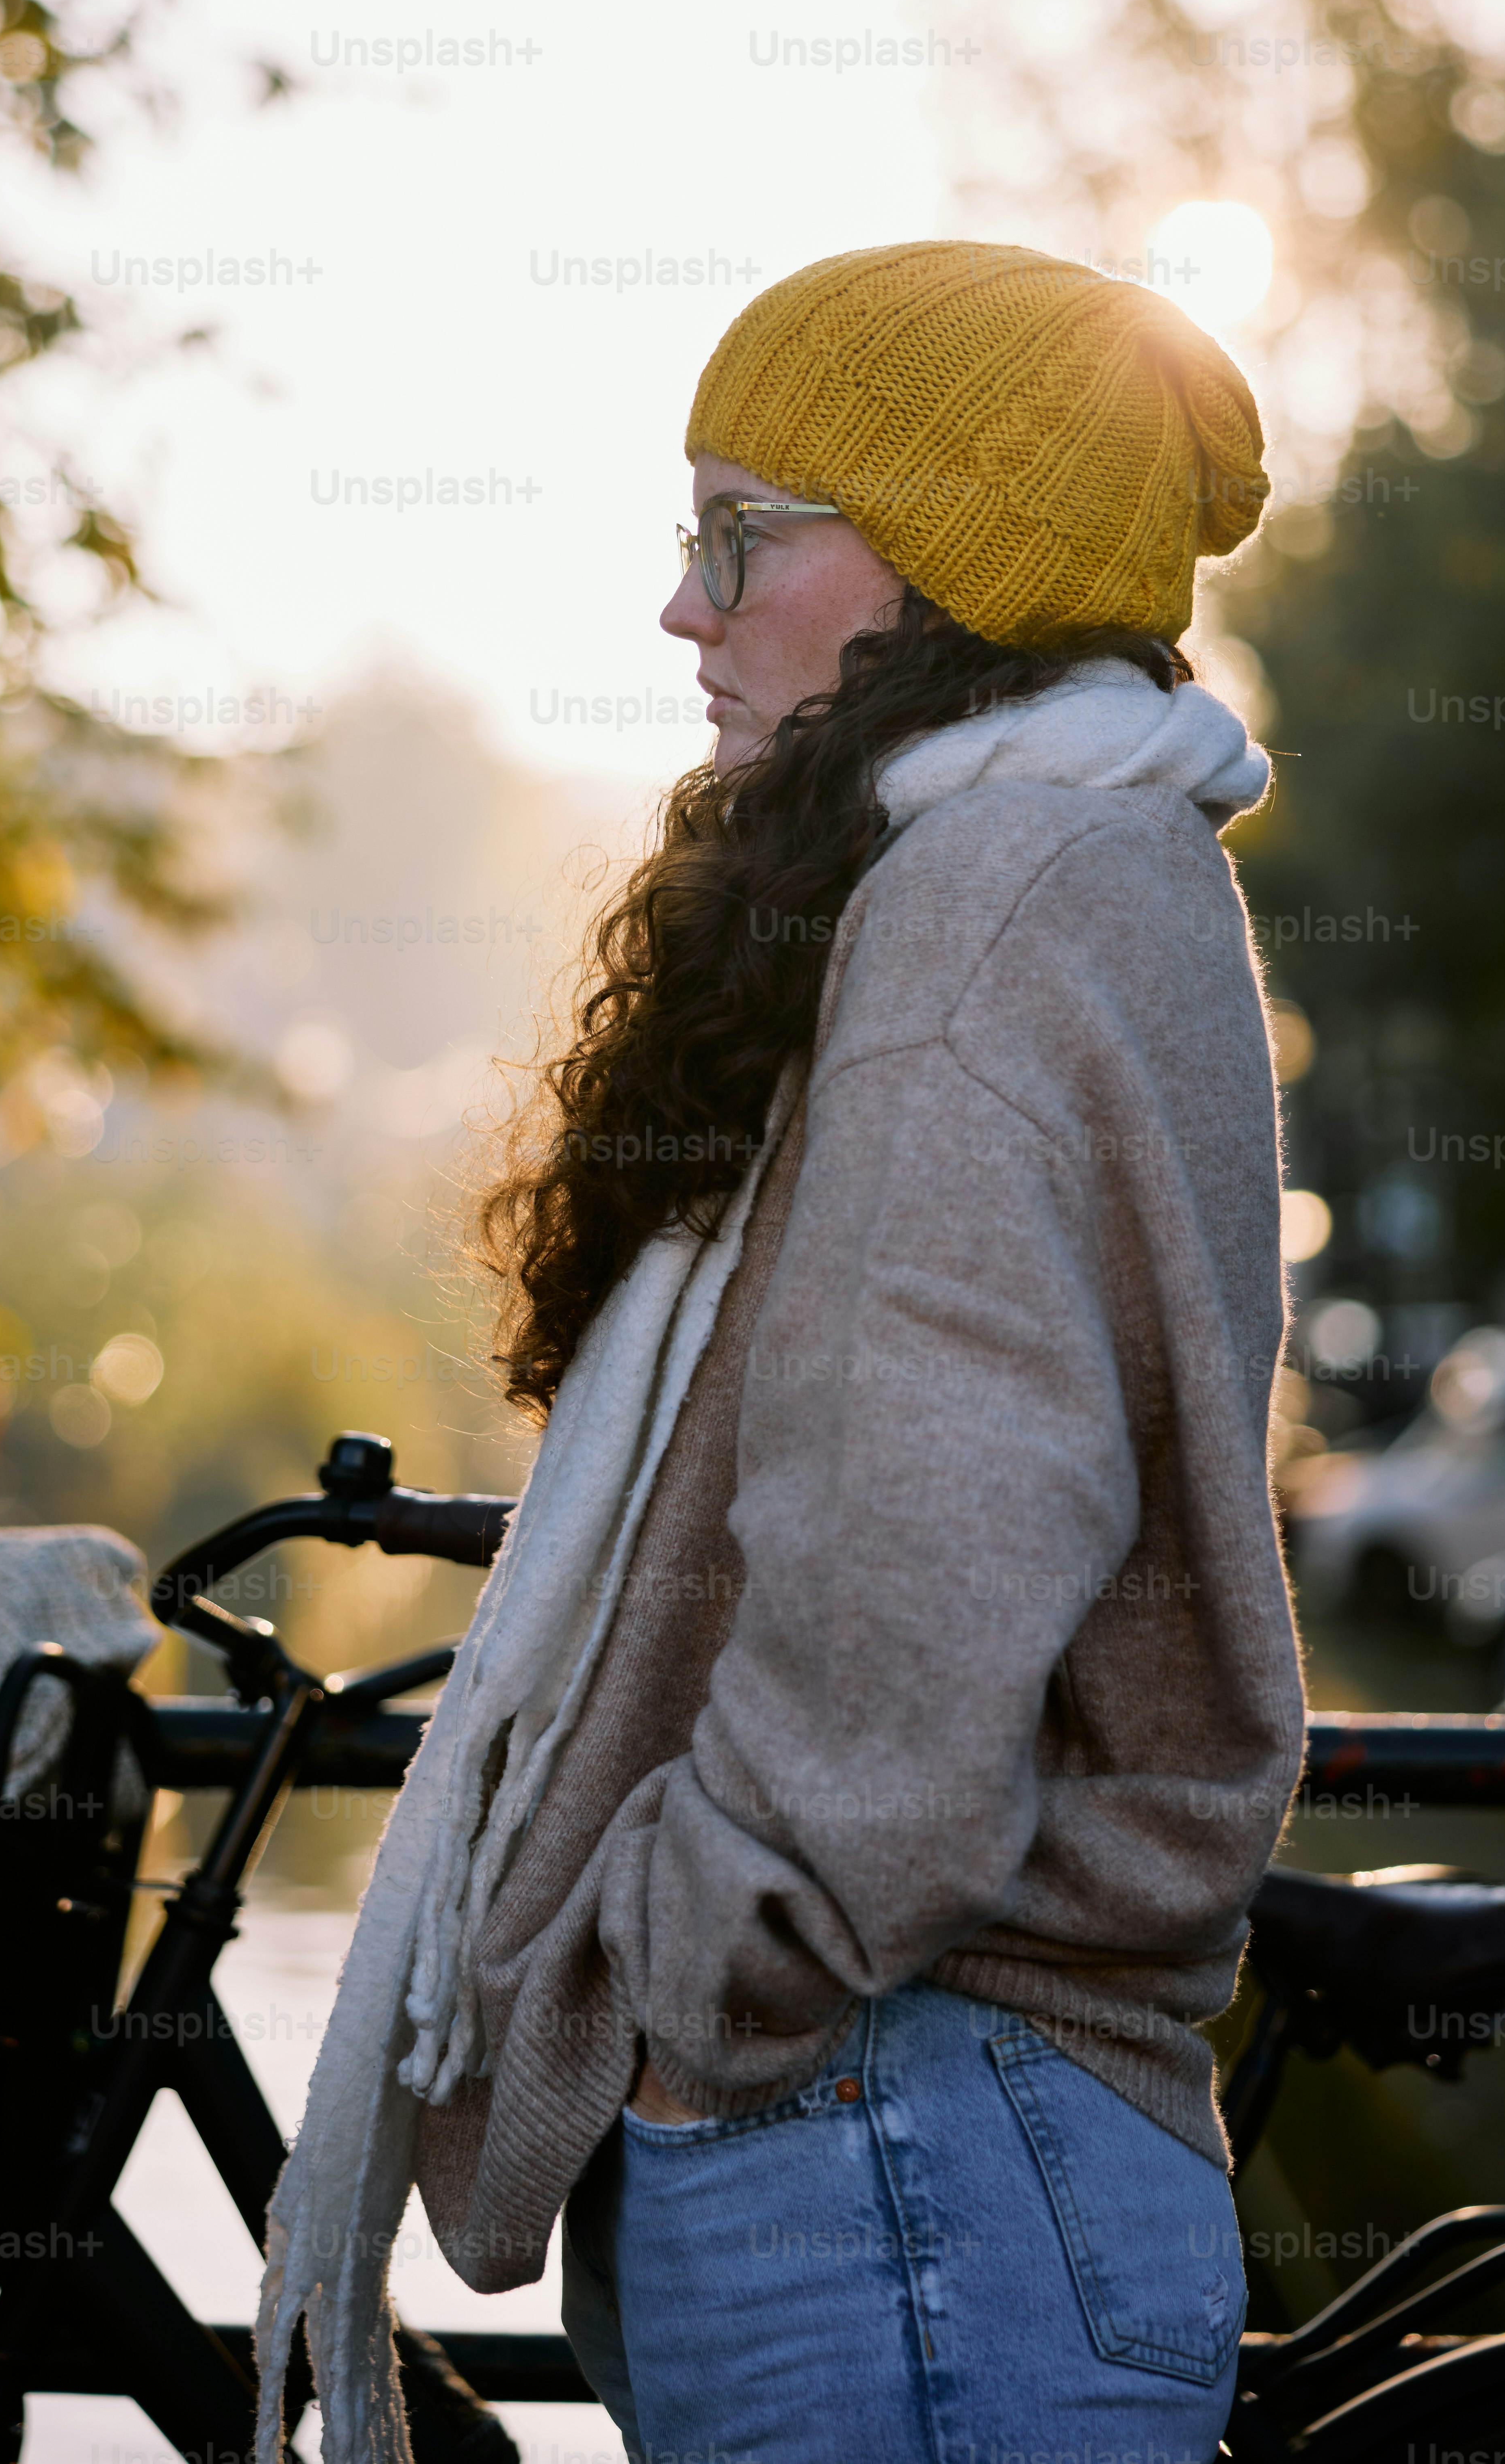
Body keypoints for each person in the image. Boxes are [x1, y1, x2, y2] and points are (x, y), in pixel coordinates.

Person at [258, 240, 1306, 2464]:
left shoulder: (979, 900)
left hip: (885, 2137)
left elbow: (923, 1558)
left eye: (740, 536)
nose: (683, 607)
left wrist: (693, 1982)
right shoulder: (1081, 859)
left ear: (945, 561)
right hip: (926, 2139)